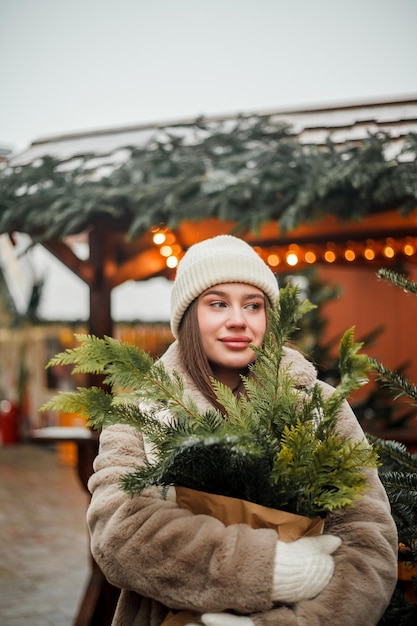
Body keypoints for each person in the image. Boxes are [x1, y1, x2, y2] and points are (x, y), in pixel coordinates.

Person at [87, 235, 398, 626]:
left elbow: (368, 540)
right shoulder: (141, 410)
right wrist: (267, 568)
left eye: (253, 305)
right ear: (188, 317)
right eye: (217, 303)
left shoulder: (320, 406)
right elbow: (119, 530)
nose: (239, 319)